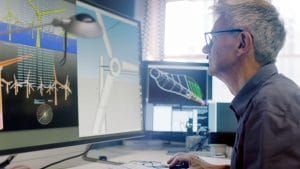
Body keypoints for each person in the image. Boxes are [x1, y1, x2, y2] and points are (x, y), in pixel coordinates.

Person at [167, 0, 300, 169]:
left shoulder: (269, 106)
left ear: (242, 43)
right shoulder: (265, 96)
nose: (205, 49)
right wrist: (208, 167)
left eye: (212, 39)